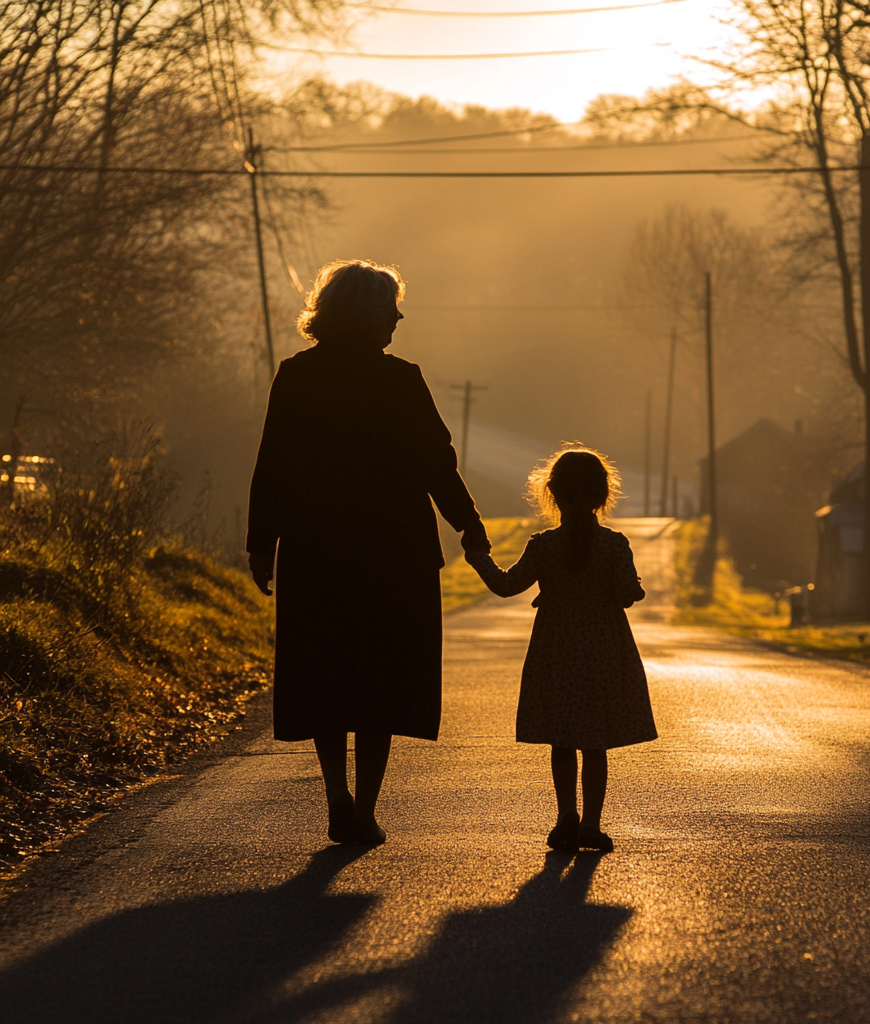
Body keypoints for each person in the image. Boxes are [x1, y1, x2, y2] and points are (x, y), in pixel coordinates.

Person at [246, 258, 489, 846]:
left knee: (325, 675)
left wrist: (262, 544)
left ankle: (337, 794)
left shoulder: (296, 377)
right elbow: (438, 464)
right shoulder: (402, 381)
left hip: (315, 551)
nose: (398, 317)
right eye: (390, 307)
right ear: (365, 313)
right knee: (381, 681)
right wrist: (468, 523)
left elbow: (272, 465)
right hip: (394, 553)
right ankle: (368, 809)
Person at [464, 446, 657, 853]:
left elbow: (506, 585)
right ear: (604, 495)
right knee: (596, 741)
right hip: (605, 649)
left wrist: (479, 558)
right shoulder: (614, 544)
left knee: (563, 738)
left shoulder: (543, 545)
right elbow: (627, 594)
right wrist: (633, 585)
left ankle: (565, 814)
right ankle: (591, 823)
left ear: (552, 493)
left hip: (557, 649)